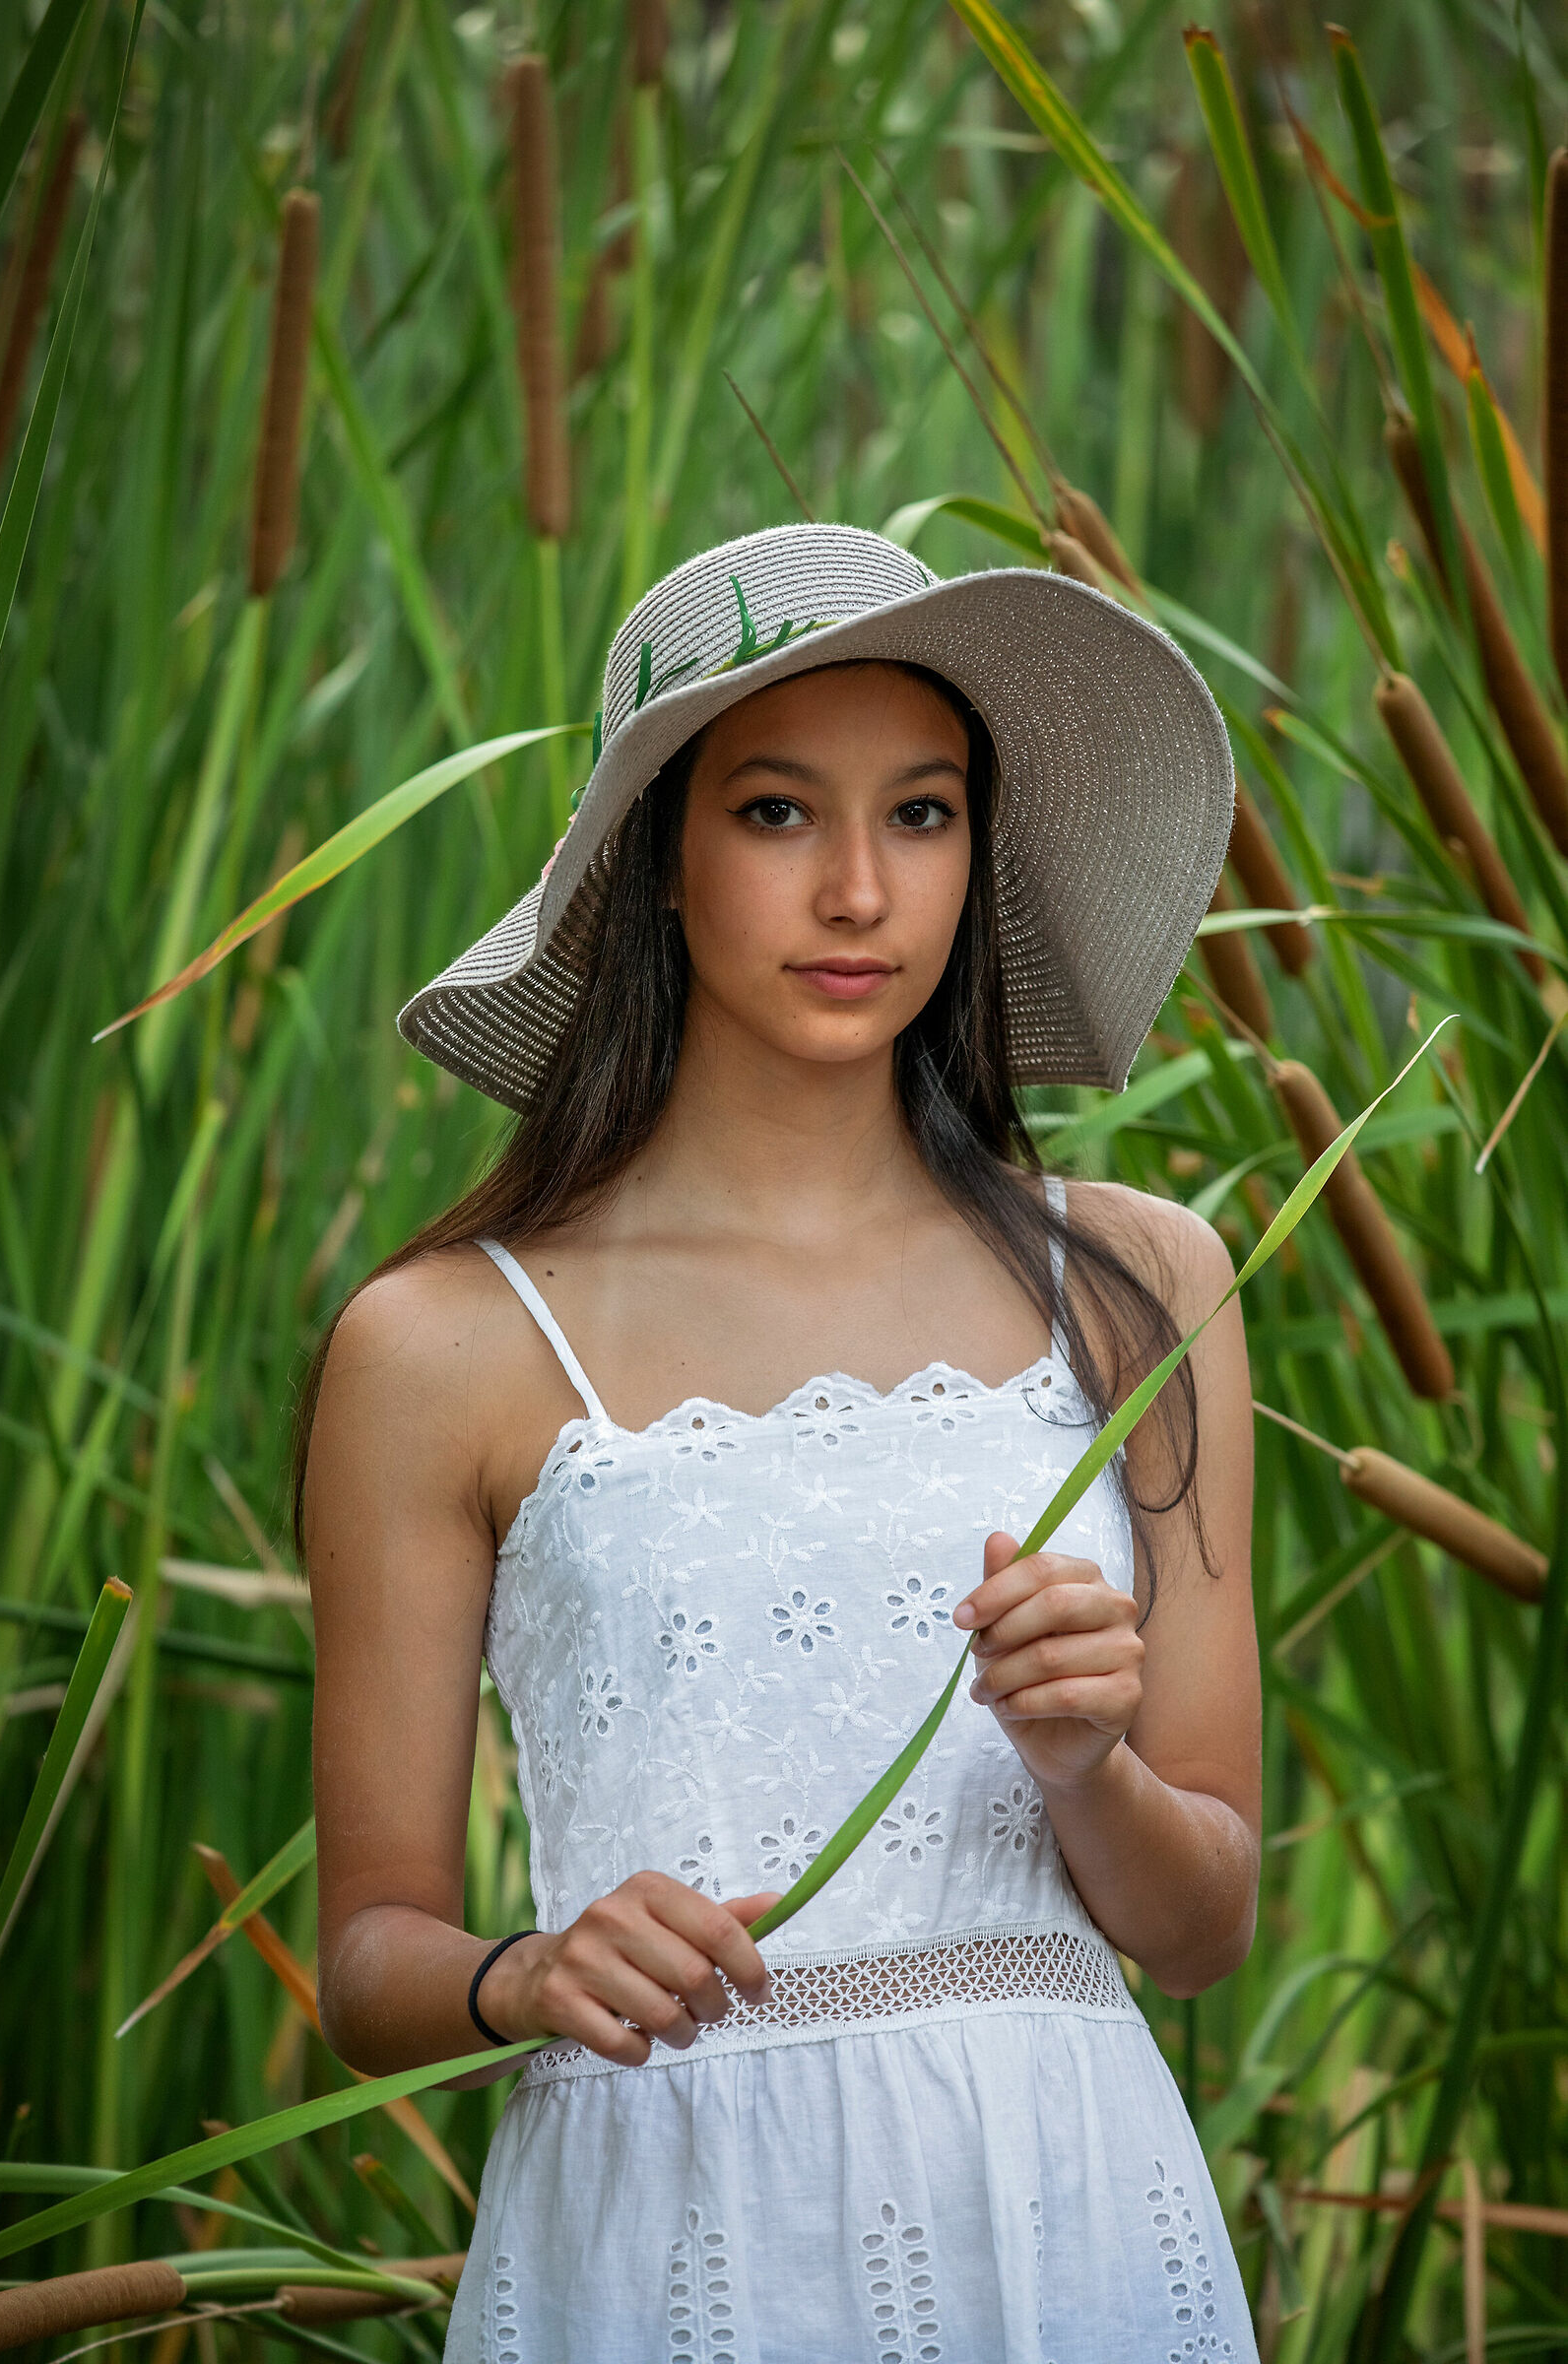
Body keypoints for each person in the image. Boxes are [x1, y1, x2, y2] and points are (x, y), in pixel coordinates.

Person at [301, 524, 1261, 2363]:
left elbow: (1203, 1923)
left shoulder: (1143, 1284)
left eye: (920, 814)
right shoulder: (444, 1344)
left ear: (977, 856)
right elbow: (371, 1960)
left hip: (1064, 2223)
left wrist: (1085, 1768)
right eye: (772, 813)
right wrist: (529, 1973)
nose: (856, 890)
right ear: (657, 857)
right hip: (667, 2229)